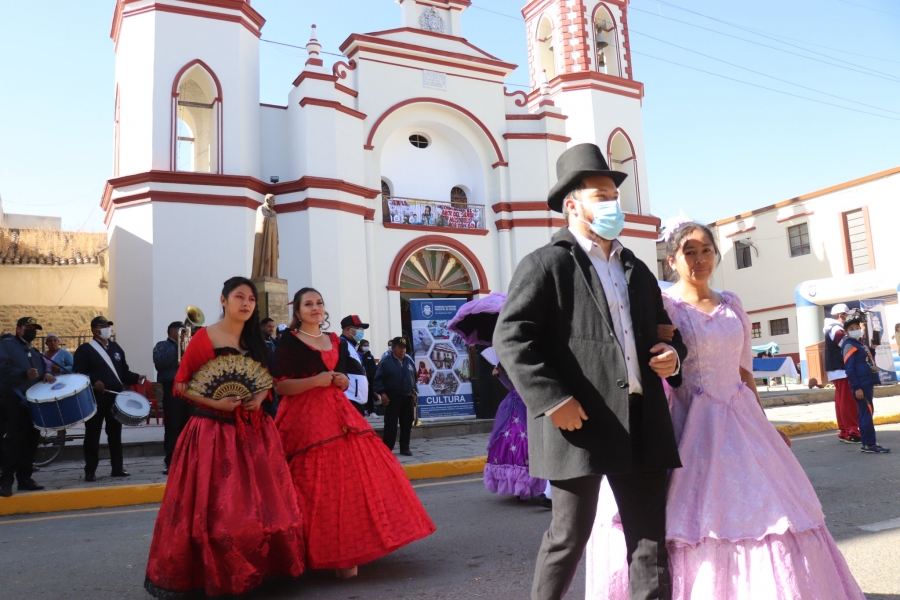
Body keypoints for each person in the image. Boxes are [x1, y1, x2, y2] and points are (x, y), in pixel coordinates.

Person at [586, 220, 864, 599]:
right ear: (672, 260)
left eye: (706, 250)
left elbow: (744, 372)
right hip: (688, 424)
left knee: (770, 510)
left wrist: (766, 424)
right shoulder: (664, 306)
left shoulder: (732, 303)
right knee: (694, 520)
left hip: (742, 421)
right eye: (689, 252)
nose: (699, 259)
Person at [493, 143, 687, 600]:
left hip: (641, 420)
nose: (612, 205)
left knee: (649, 543)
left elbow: (665, 332)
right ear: (572, 205)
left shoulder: (636, 268)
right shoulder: (547, 264)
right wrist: (552, 400)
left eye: (614, 197)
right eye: (600, 196)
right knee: (568, 537)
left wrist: (671, 356)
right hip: (578, 422)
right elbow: (511, 339)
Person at [145, 277, 305, 598]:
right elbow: (182, 385)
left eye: (251, 299)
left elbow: (266, 381)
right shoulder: (204, 337)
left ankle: (260, 568)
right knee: (222, 513)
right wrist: (216, 403)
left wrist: (259, 397)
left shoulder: (258, 340)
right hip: (213, 432)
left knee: (264, 508)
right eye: (239, 297)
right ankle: (221, 572)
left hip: (255, 432)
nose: (246, 303)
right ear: (223, 300)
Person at [271, 288, 435, 578]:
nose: (315, 308)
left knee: (349, 484)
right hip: (304, 420)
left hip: (339, 414)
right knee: (315, 485)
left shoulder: (334, 340)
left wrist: (342, 381)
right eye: (308, 304)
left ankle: (349, 552)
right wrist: (316, 381)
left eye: (319, 303)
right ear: (297, 311)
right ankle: (318, 553)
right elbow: (279, 386)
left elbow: (345, 378)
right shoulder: (289, 341)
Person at [73, 316, 146, 481]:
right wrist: (94, 380)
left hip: (115, 397)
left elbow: (123, 372)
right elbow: (78, 372)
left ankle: (117, 468)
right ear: (94, 330)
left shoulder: (116, 348)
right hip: (95, 398)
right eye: (102, 326)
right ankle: (90, 471)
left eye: (108, 325)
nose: (106, 328)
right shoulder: (85, 350)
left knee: (115, 433)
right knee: (92, 434)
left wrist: (136, 377)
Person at [480, 346, 547, 501]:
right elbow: (513, 386)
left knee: (526, 443)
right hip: (513, 408)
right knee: (511, 442)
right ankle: (519, 486)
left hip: (529, 406)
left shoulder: (533, 364)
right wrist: (500, 375)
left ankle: (527, 486)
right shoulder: (514, 365)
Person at [0, 317, 54, 497]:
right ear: (18, 329)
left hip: (33, 402)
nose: (32, 330)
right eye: (28, 327)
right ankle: (6, 481)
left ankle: (25, 478)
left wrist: (46, 374)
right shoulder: (6, 345)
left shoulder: (33, 350)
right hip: (14, 400)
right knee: (15, 441)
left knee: (32, 440)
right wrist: (23, 374)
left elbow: (43, 367)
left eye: (34, 328)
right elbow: (2, 368)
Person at [843, 316, 891, 454]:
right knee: (866, 414)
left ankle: (866, 443)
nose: (855, 330)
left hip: (867, 382)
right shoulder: (849, 345)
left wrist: (873, 349)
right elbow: (849, 369)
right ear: (846, 332)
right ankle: (870, 444)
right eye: (851, 329)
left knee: (865, 413)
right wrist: (857, 387)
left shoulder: (860, 344)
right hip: (861, 384)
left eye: (857, 328)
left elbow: (866, 360)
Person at [373, 337, 418, 457]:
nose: (402, 350)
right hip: (392, 397)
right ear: (393, 348)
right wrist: (382, 393)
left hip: (408, 397)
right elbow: (378, 380)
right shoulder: (386, 362)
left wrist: (415, 392)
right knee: (391, 424)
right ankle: (387, 449)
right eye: (399, 347)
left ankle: (405, 448)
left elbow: (414, 378)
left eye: (404, 348)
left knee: (407, 423)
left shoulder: (409, 361)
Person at [824, 304, 861, 443]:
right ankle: (852, 431)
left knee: (841, 401)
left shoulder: (832, 327)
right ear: (841, 316)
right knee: (848, 402)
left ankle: (845, 431)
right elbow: (847, 344)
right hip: (842, 369)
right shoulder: (836, 329)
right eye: (848, 315)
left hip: (838, 370)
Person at [153, 321, 186, 475]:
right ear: (173, 330)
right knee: (173, 426)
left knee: (188, 426)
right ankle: (171, 461)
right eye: (181, 330)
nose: (184, 333)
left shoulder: (187, 346)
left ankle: (187, 461)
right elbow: (161, 362)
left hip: (189, 389)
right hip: (172, 388)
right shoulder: (162, 346)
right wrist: (177, 346)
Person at [339, 315, 370, 416]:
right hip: (349, 399)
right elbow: (339, 370)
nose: (361, 331)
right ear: (348, 330)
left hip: (355, 400)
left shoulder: (351, 345)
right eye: (358, 328)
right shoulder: (342, 344)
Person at [357, 338, 379, 415]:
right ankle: (362, 410)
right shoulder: (358, 354)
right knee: (362, 393)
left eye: (367, 345)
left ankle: (371, 411)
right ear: (361, 346)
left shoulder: (370, 355)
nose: (366, 347)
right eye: (365, 345)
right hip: (362, 376)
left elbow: (373, 365)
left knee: (370, 393)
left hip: (370, 377)